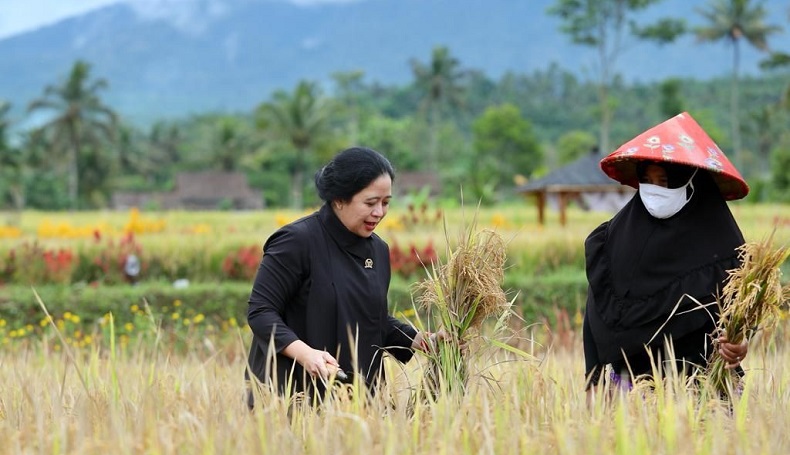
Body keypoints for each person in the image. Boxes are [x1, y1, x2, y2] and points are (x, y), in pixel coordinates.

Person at [244, 146, 435, 407]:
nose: (379, 212)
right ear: (339, 200)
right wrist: (306, 355)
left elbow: (371, 319)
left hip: (356, 400)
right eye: (370, 203)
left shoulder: (378, 250)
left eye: (386, 202)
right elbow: (261, 311)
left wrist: (422, 341)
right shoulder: (297, 241)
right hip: (291, 396)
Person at [583, 112, 750, 397]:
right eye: (647, 180)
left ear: (694, 185)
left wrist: (738, 346)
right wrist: (593, 381)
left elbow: (740, 324)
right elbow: (594, 319)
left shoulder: (727, 252)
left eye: (665, 181)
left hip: (704, 391)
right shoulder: (611, 240)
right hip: (634, 392)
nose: (654, 190)